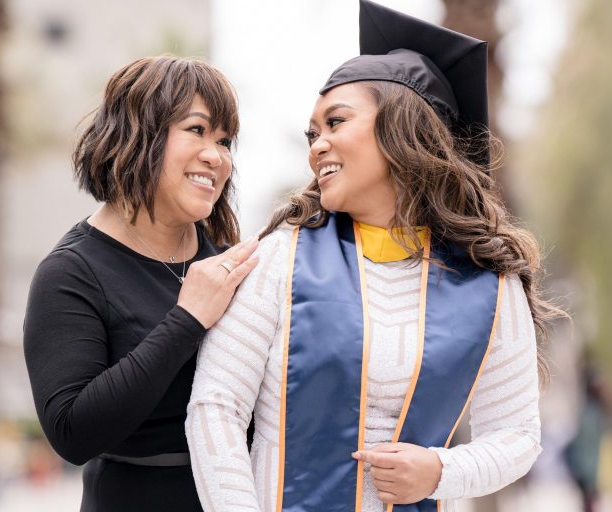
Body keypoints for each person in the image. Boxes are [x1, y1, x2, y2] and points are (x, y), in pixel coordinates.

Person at [185, 2, 560, 511]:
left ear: (402, 131)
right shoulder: (278, 262)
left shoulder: (490, 286)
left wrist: (440, 471)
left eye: (336, 122)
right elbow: (215, 408)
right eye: (312, 134)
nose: (318, 145)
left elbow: (517, 435)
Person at [23, 55, 260, 512]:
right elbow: (73, 432)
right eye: (197, 130)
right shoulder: (71, 273)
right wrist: (187, 319)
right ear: (138, 135)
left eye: (225, 140)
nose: (216, 156)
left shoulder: (230, 255)